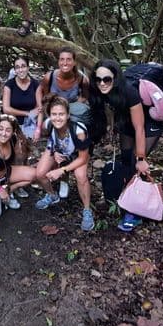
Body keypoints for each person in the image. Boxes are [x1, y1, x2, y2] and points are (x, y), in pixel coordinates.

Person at [88, 59, 163, 232]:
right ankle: (124, 196)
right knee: (125, 160)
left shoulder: (129, 91)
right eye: (98, 79)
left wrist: (141, 158)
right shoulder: (98, 90)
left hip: (149, 120)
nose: (102, 83)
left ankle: (134, 213)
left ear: (115, 78)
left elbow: (139, 128)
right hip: (127, 118)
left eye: (106, 79)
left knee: (136, 163)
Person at [33, 96, 94, 232]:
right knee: (40, 173)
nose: (57, 118)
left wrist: (61, 170)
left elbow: (83, 158)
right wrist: (54, 151)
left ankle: (87, 210)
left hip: (77, 155)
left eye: (61, 114)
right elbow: (50, 139)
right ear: (50, 115)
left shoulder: (79, 130)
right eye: (54, 114)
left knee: (80, 176)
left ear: (68, 115)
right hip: (59, 150)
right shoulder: (48, 124)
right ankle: (52, 195)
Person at [36, 47, 90, 149]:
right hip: (54, 108)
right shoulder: (50, 77)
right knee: (45, 127)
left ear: (74, 62)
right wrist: (41, 105)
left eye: (69, 59)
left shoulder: (82, 79)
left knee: (83, 111)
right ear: (58, 61)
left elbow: (85, 97)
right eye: (62, 59)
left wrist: (79, 101)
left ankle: (71, 138)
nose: (65, 63)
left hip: (71, 108)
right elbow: (40, 91)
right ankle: (58, 135)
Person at [2, 55, 42, 137]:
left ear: (28, 68)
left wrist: (38, 129)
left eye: (23, 66)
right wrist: (28, 113)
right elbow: (6, 109)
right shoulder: (9, 85)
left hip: (29, 122)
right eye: (17, 67)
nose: (20, 70)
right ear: (15, 70)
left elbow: (40, 109)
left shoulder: (35, 84)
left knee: (28, 141)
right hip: (12, 120)